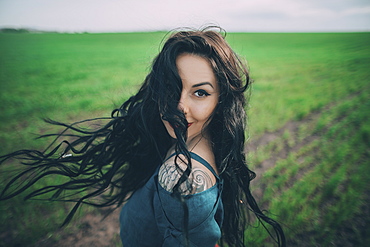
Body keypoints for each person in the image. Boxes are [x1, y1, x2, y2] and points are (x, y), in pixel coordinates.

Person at [0, 27, 285, 246]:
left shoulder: (181, 179)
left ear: (221, 101)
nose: (179, 108)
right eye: (172, 88)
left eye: (200, 93)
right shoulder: (201, 141)